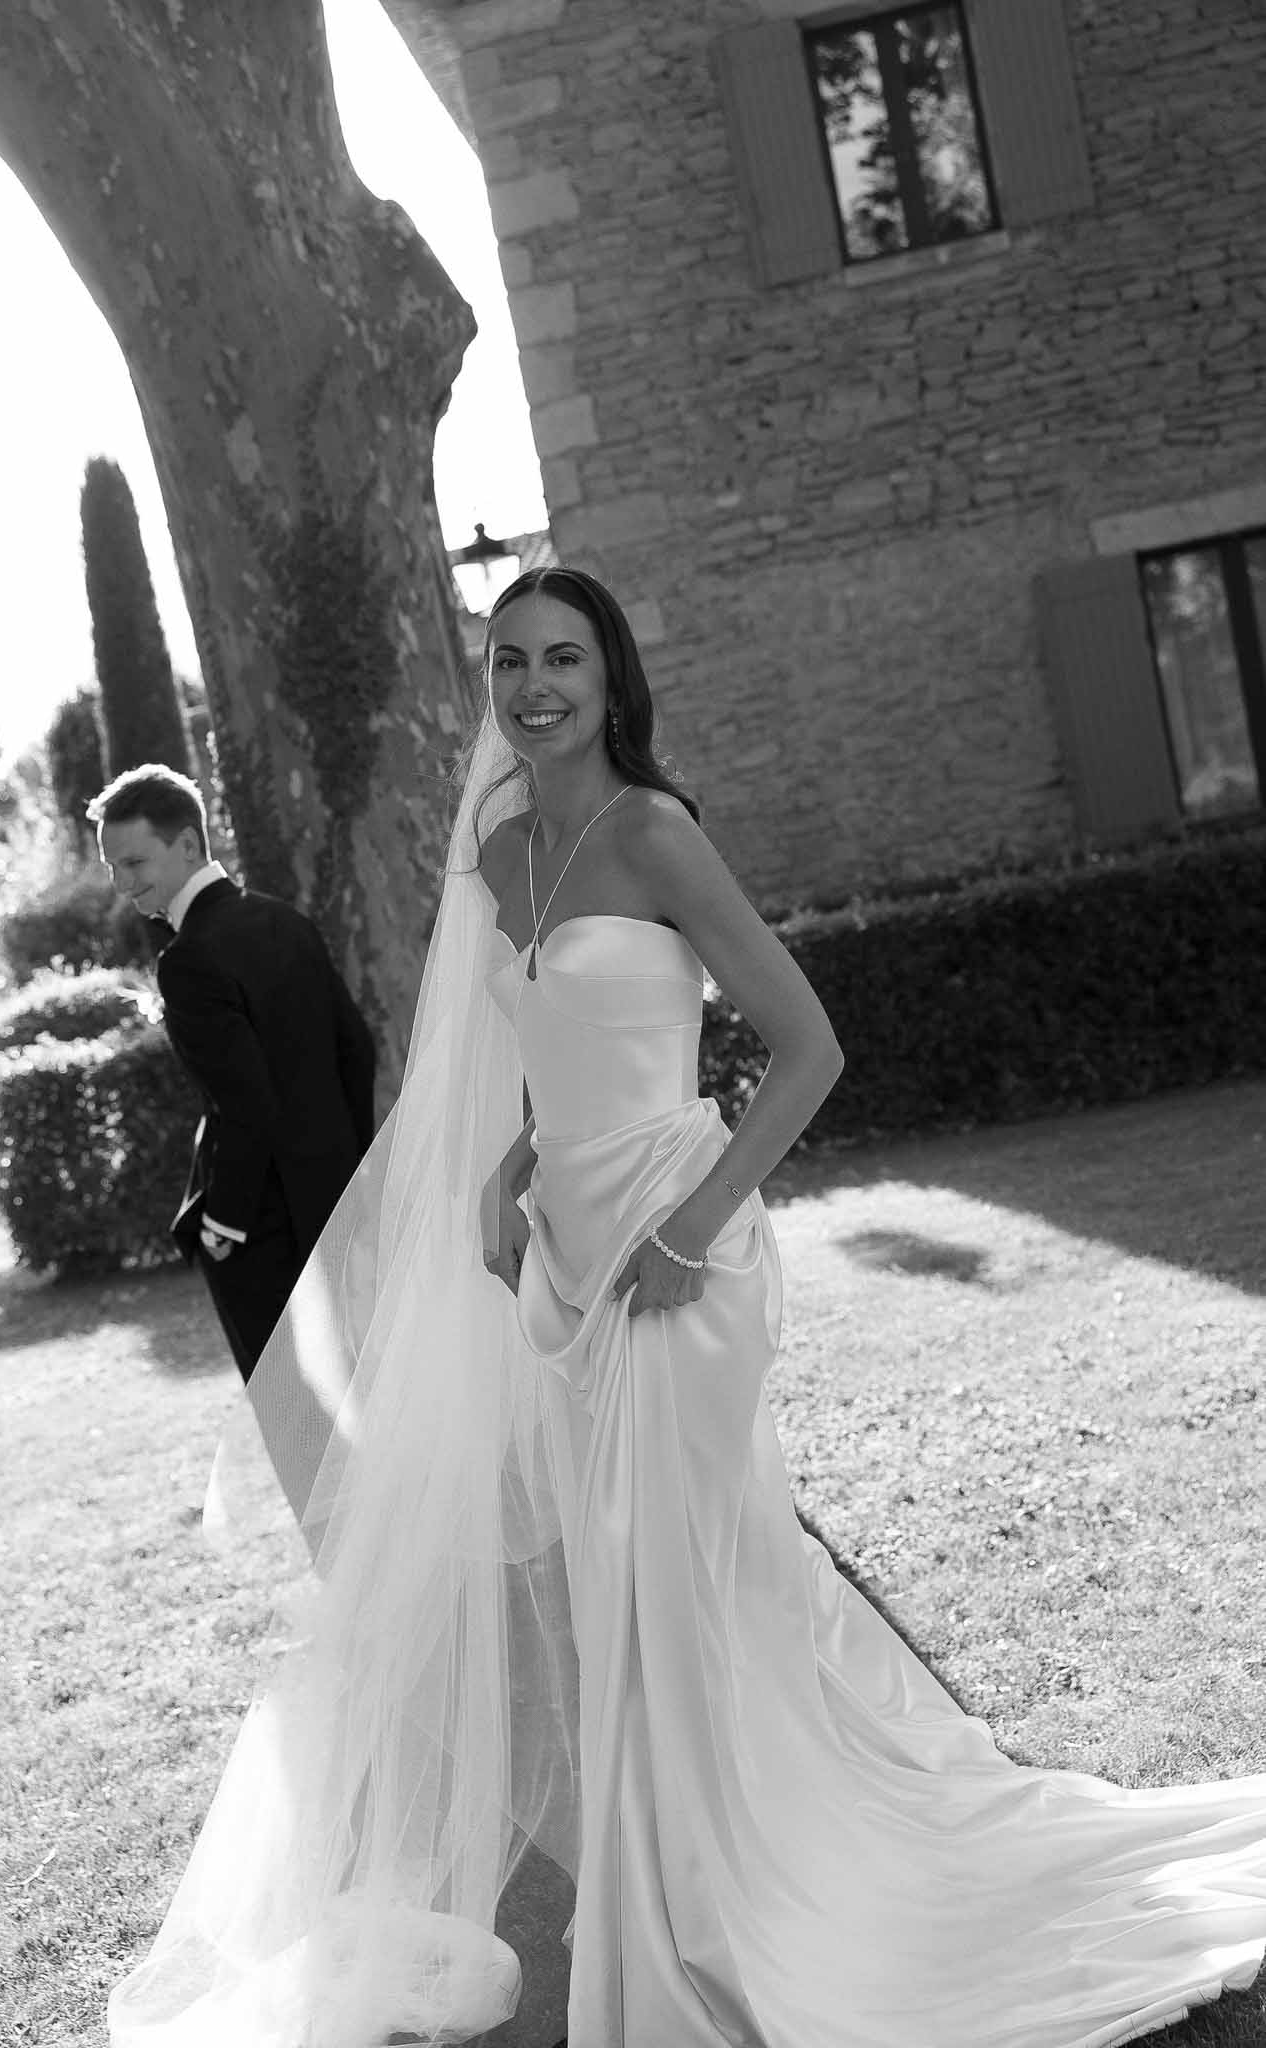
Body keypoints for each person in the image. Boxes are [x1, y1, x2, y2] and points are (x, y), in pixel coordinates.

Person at [107, 574, 1266, 2048]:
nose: (534, 685)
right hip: (563, 1268)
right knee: (617, 1591)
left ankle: (728, 1898)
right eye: (509, 660)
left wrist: (693, 1227)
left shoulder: (654, 831)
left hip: (682, 1258)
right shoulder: (498, 844)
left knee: (677, 1583)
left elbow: (805, 1046)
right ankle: (676, 1880)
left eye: (563, 659)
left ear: (610, 677)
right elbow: (550, 1044)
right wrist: (508, 1168)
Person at [89, 764, 377, 1385]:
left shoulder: (188, 960)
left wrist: (224, 1223)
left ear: (188, 844)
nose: (122, 884)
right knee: (370, 1402)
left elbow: (247, 1104)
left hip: (265, 1234)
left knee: (298, 1423)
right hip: (341, 1210)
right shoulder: (285, 920)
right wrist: (351, 1174)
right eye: (113, 868)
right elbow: (356, 1051)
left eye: (134, 863)